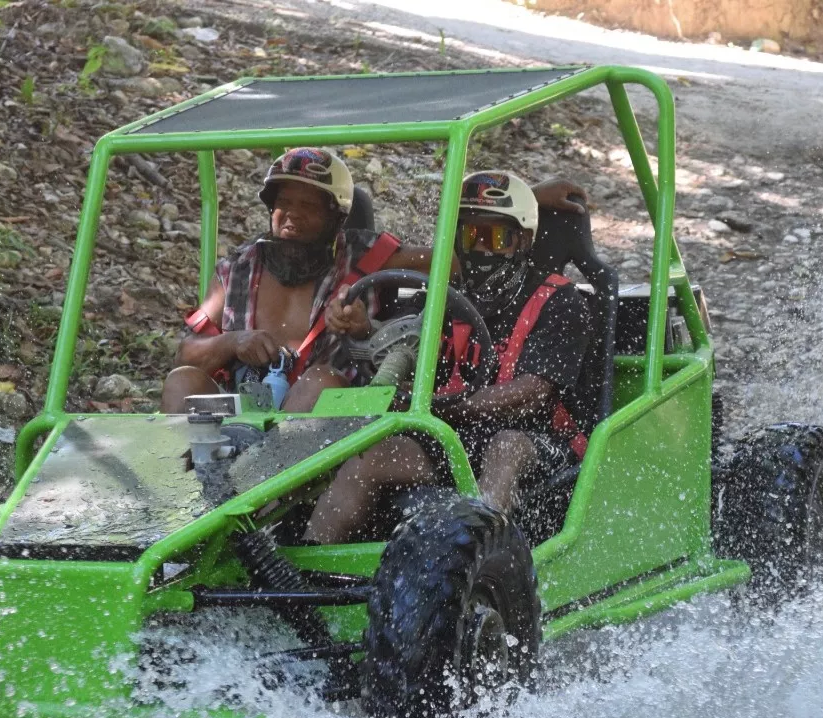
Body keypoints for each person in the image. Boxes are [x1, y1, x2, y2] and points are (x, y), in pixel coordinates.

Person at [162, 148, 591, 413]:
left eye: (306, 206)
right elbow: (188, 349)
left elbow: (461, 256)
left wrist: (526, 198)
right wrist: (231, 342)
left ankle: (272, 511)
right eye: (282, 203)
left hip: (321, 420)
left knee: (322, 379)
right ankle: (175, 515)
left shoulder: (365, 255)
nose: (289, 215)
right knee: (182, 379)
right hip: (239, 411)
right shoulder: (238, 268)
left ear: (337, 217)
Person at [306, 171, 593, 543]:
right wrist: (363, 330)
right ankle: (302, 568)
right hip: (452, 435)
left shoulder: (561, 301)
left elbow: (531, 395)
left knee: (507, 446)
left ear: (523, 239)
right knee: (372, 456)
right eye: (469, 235)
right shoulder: (440, 295)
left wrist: (437, 405)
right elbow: (399, 349)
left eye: (496, 237)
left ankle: (484, 562)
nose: (482, 249)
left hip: (538, 440)